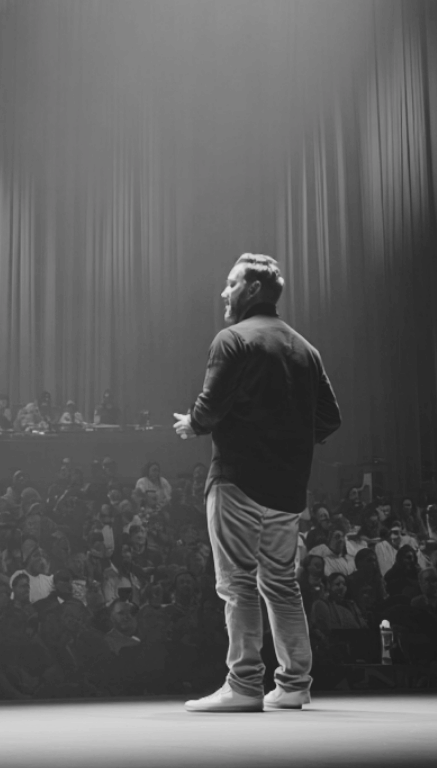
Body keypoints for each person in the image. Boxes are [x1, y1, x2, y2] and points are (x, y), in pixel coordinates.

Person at [174, 253, 341, 712]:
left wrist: (191, 423)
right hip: (288, 490)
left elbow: (209, 410)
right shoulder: (306, 349)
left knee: (238, 584)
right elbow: (330, 418)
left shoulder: (232, 340)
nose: (224, 293)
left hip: (237, 481)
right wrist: (287, 438)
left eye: (231, 284)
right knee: (281, 584)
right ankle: (294, 684)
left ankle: (244, 684)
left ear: (251, 289)